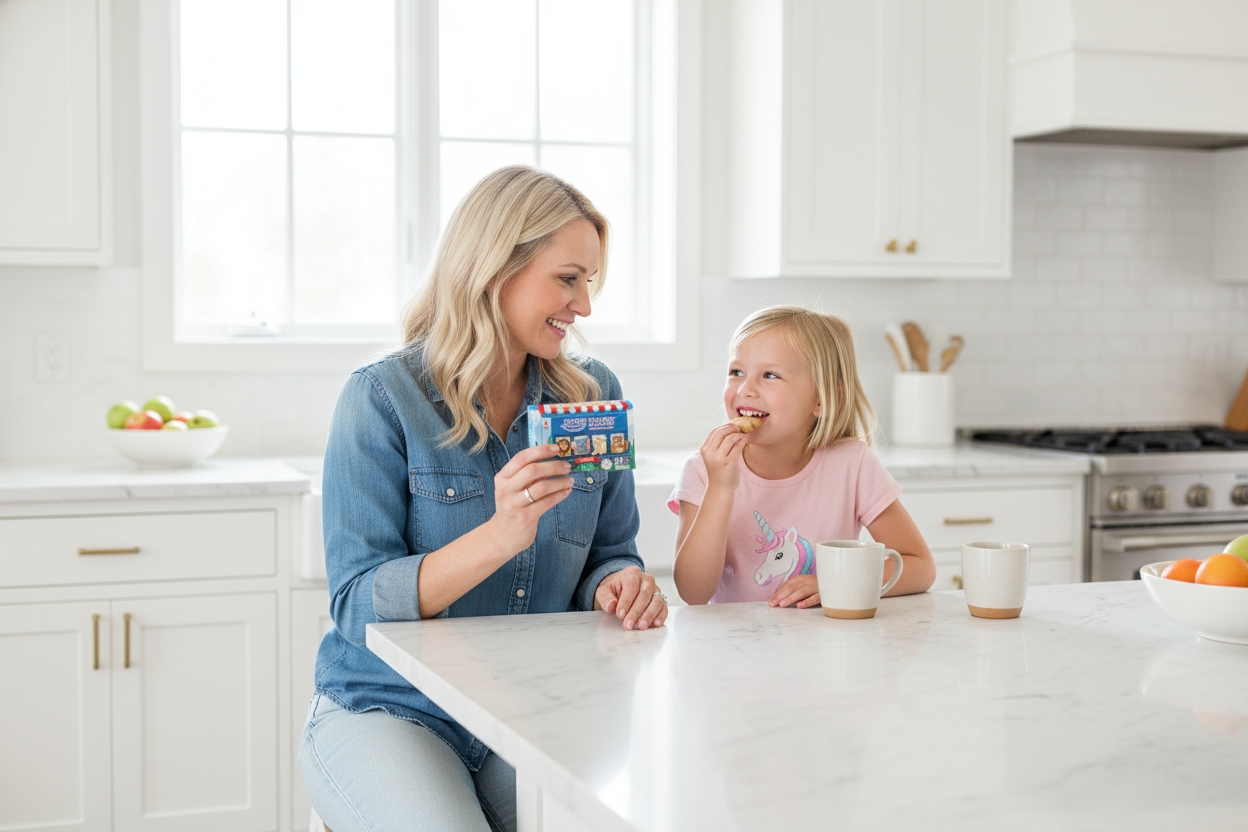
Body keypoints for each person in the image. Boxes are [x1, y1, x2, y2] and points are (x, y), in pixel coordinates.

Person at [300, 166, 667, 832]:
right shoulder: (383, 399)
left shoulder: (591, 394)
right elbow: (356, 607)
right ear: (495, 271)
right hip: (391, 710)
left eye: (589, 282)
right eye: (567, 278)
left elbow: (611, 553)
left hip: (533, 708)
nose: (583, 306)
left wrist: (621, 585)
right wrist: (500, 534)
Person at [668, 305, 935, 607]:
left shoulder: (852, 465)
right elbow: (692, 592)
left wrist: (839, 582)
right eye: (736, 372)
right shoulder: (704, 470)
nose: (745, 388)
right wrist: (720, 488)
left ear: (821, 399)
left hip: (828, 645)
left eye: (770, 375)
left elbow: (920, 566)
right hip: (736, 647)